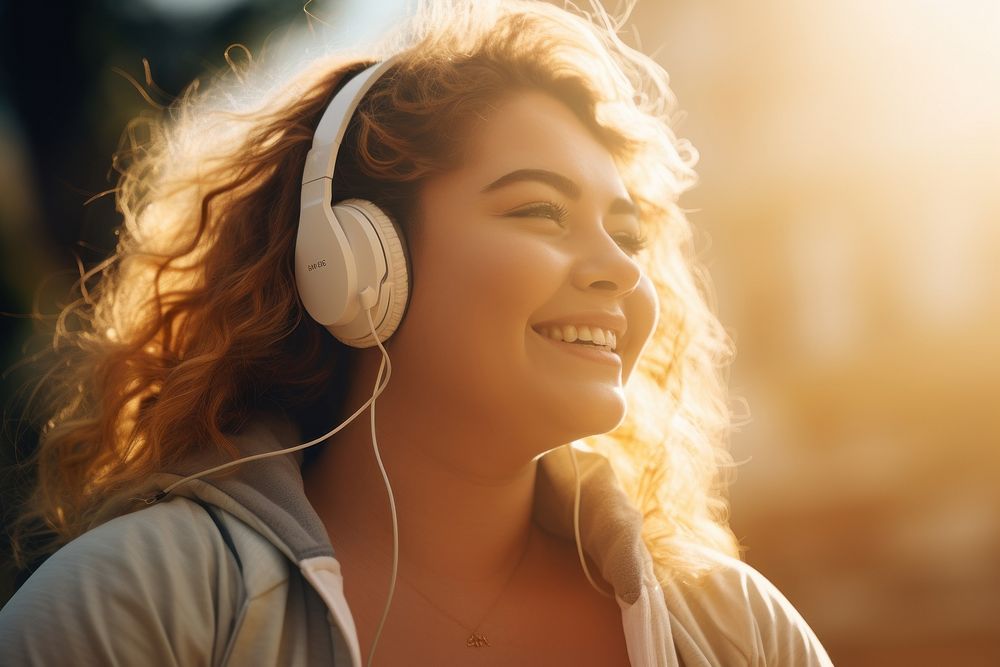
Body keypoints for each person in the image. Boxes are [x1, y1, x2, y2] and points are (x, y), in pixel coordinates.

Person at [0, 0, 833, 665]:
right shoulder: (138, 607)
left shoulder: (735, 631)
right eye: (540, 210)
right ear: (355, 260)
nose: (617, 267)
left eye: (628, 233)